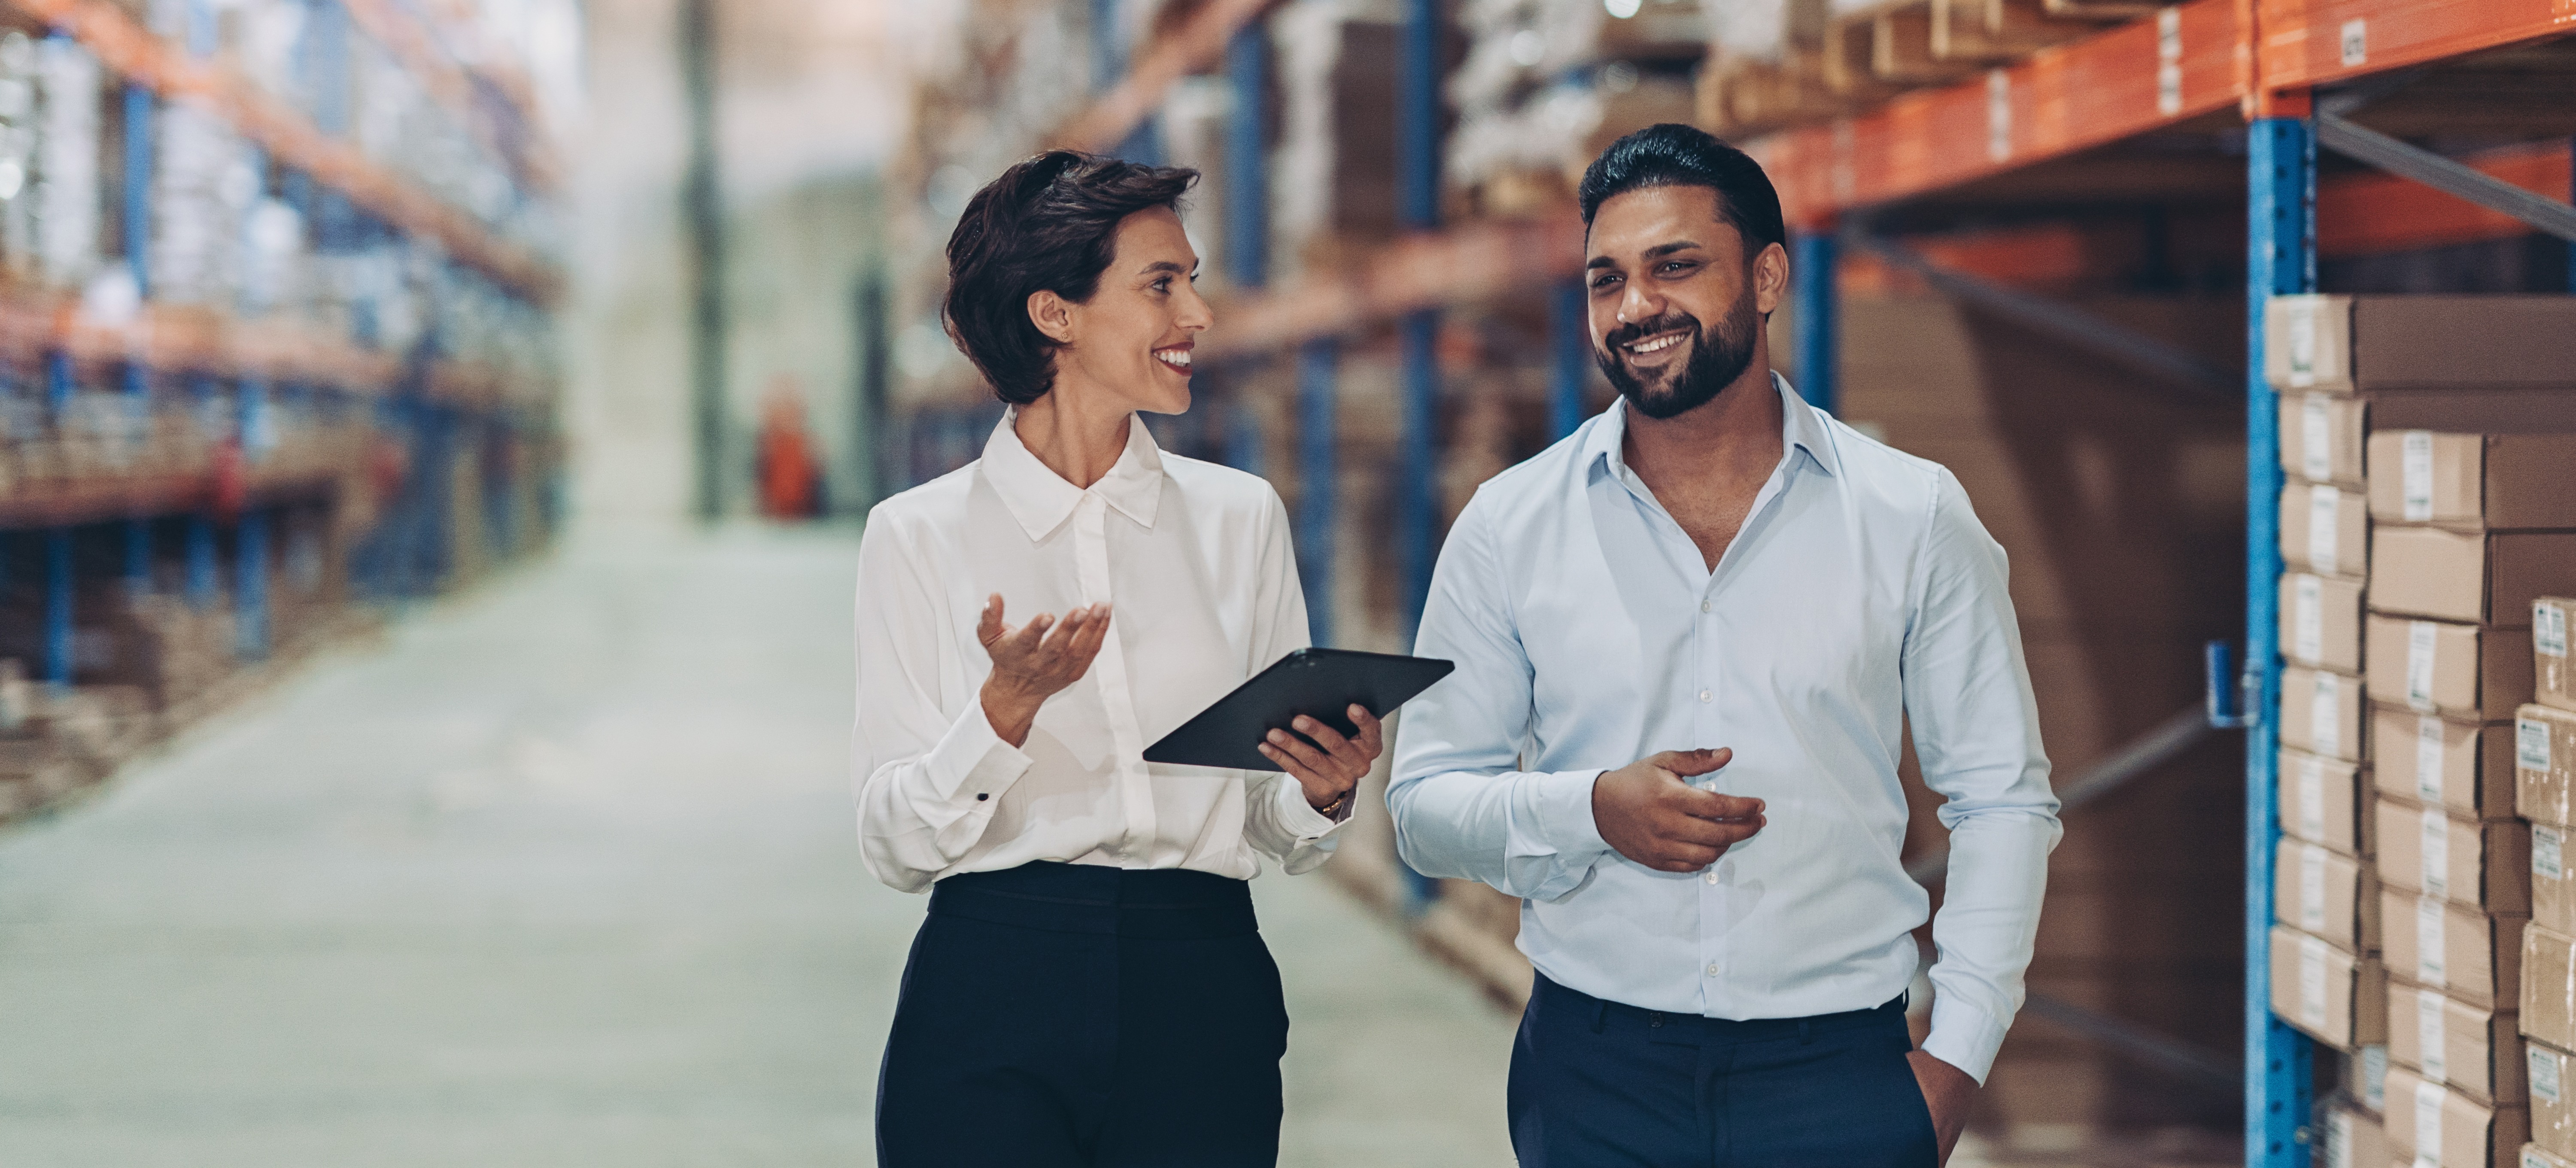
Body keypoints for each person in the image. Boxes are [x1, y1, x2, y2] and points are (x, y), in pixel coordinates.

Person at [1387, 123, 2060, 1168]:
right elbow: (1425, 808)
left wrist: (1957, 1059)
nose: (1636, 307)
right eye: (1606, 279)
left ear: (1767, 277)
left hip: (1838, 1079)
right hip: (1593, 1075)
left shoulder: (1910, 514)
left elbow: (2003, 799)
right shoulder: (1509, 525)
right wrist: (1591, 811)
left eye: (1676, 266)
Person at [852, 150, 1381, 1168]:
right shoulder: (916, 536)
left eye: (1192, 278)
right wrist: (1002, 714)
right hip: (993, 984)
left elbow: (1267, 818)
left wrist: (1320, 793)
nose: (1201, 313)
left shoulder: (1240, 519)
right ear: (1056, 315)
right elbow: (893, 844)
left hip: (1203, 978)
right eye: (1162, 285)